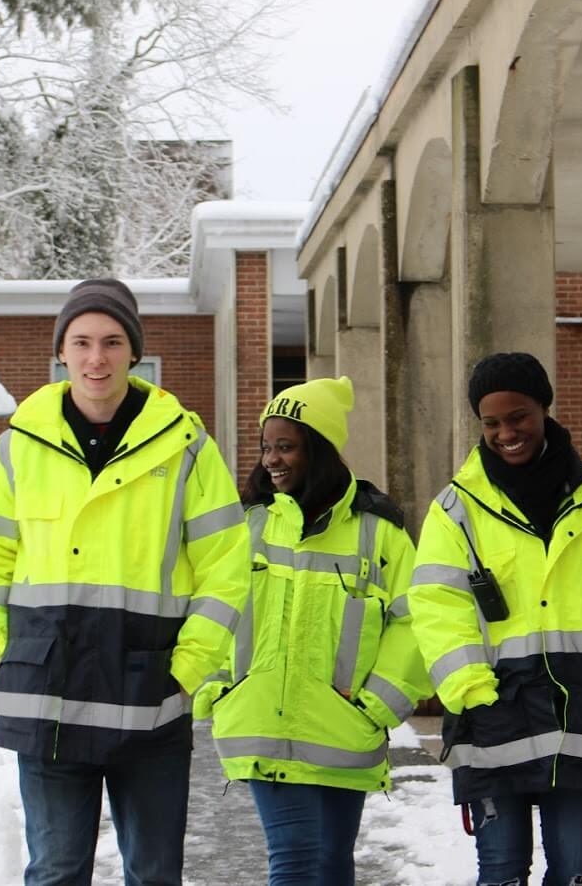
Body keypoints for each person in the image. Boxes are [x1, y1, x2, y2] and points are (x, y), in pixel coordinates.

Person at [0, 278, 250, 886]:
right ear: (61, 351)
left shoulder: (186, 447)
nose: (96, 358)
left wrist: (187, 669)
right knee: (57, 871)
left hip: (150, 697)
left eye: (112, 342)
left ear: (134, 352)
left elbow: (227, 568)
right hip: (46, 696)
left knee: (155, 874)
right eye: (81, 341)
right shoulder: (16, 449)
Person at [407, 352, 582, 886]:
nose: (506, 433)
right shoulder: (456, 510)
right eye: (491, 423)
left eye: (517, 416)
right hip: (494, 718)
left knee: (578, 874)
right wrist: (472, 691)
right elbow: (436, 606)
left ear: (544, 408)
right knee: (501, 872)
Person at [193, 376, 430, 886]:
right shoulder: (246, 525)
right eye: (266, 447)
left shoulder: (378, 532)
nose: (271, 459)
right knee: (296, 860)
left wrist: (378, 703)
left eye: (286, 447)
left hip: (344, 729)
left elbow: (416, 621)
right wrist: (217, 683)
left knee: (331, 865)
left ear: (318, 450)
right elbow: (209, 605)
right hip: (262, 723)